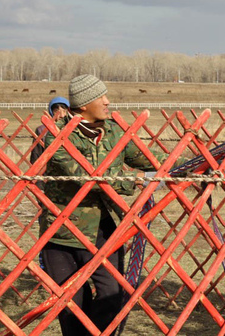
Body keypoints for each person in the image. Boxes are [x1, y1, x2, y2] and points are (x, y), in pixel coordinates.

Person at [40, 75, 171, 335]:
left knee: (112, 292)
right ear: (84, 104)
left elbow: (150, 159)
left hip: (103, 227)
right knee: (69, 302)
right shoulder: (59, 136)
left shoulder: (113, 132)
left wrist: (192, 166)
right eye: (101, 97)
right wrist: (135, 181)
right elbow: (87, 177)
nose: (108, 102)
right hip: (62, 230)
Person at [30, 96, 70, 165]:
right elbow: (36, 155)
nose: (62, 115)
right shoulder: (42, 130)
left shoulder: (75, 129)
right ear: (51, 112)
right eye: (56, 111)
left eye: (64, 111)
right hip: (47, 171)